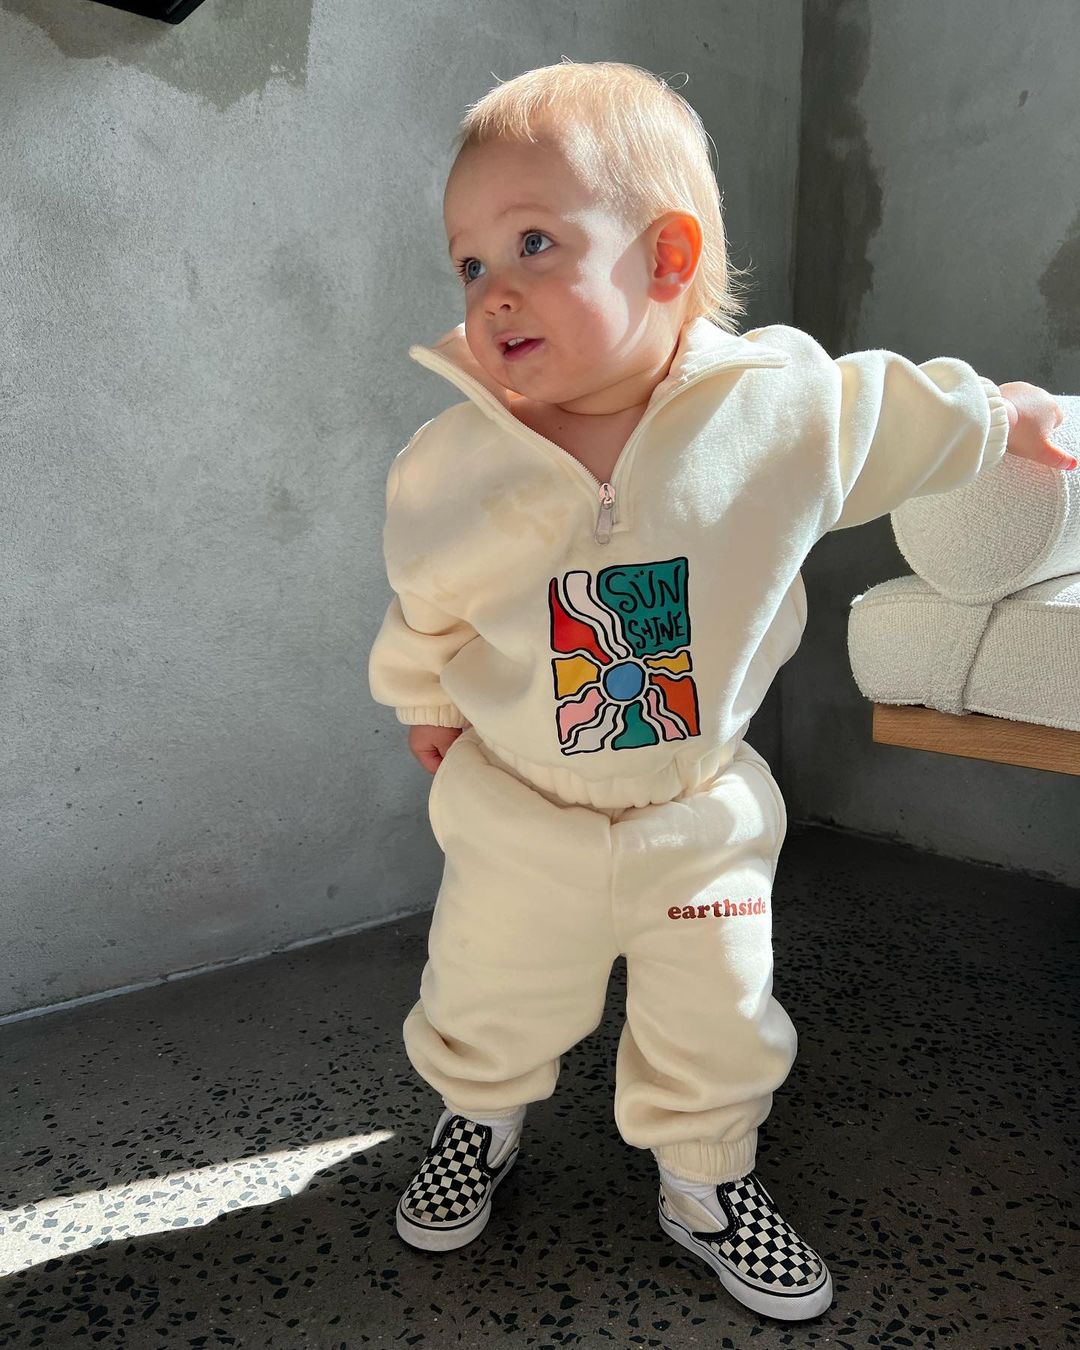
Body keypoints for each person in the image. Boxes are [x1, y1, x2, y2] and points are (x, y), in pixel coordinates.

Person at [366, 59, 1069, 1322]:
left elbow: (889, 414)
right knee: (486, 986)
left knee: (719, 1013)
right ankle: (479, 1115)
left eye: (533, 243)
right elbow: (426, 598)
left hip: (699, 815)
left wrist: (1001, 410)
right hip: (520, 804)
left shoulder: (774, 413)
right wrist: (424, 699)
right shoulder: (453, 460)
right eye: (469, 262)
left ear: (667, 257)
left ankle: (705, 1180)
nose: (492, 290)